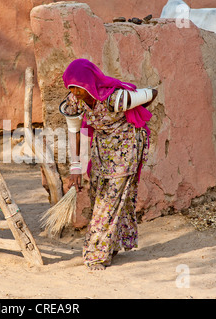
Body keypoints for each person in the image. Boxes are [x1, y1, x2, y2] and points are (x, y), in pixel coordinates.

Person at [60, 59, 157, 270]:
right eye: (71, 88)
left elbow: (152, 92)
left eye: (79, 88)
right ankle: (110, 245)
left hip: (126, 148)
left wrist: (135, 107)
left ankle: (96, 255)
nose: (75, 93)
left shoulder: (115, 98)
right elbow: (74, 131)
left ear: (89, 83)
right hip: (102, 147)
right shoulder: (74, 101)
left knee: (108, 202)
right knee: (97, 195)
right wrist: (75, 167)